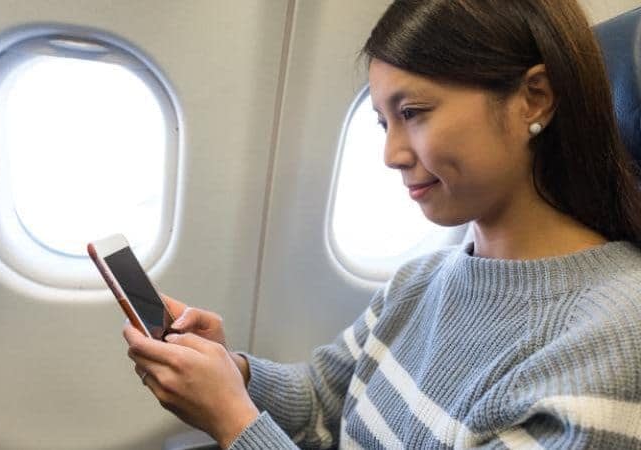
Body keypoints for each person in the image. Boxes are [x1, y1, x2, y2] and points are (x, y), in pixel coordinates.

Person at [124, 1, 641, 448]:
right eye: (382, 121)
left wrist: (232, 420)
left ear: (535, 98)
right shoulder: (422, 281)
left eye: (413, 111)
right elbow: (324, 401)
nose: (392, 154)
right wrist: (233, 372)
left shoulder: (609, 340)